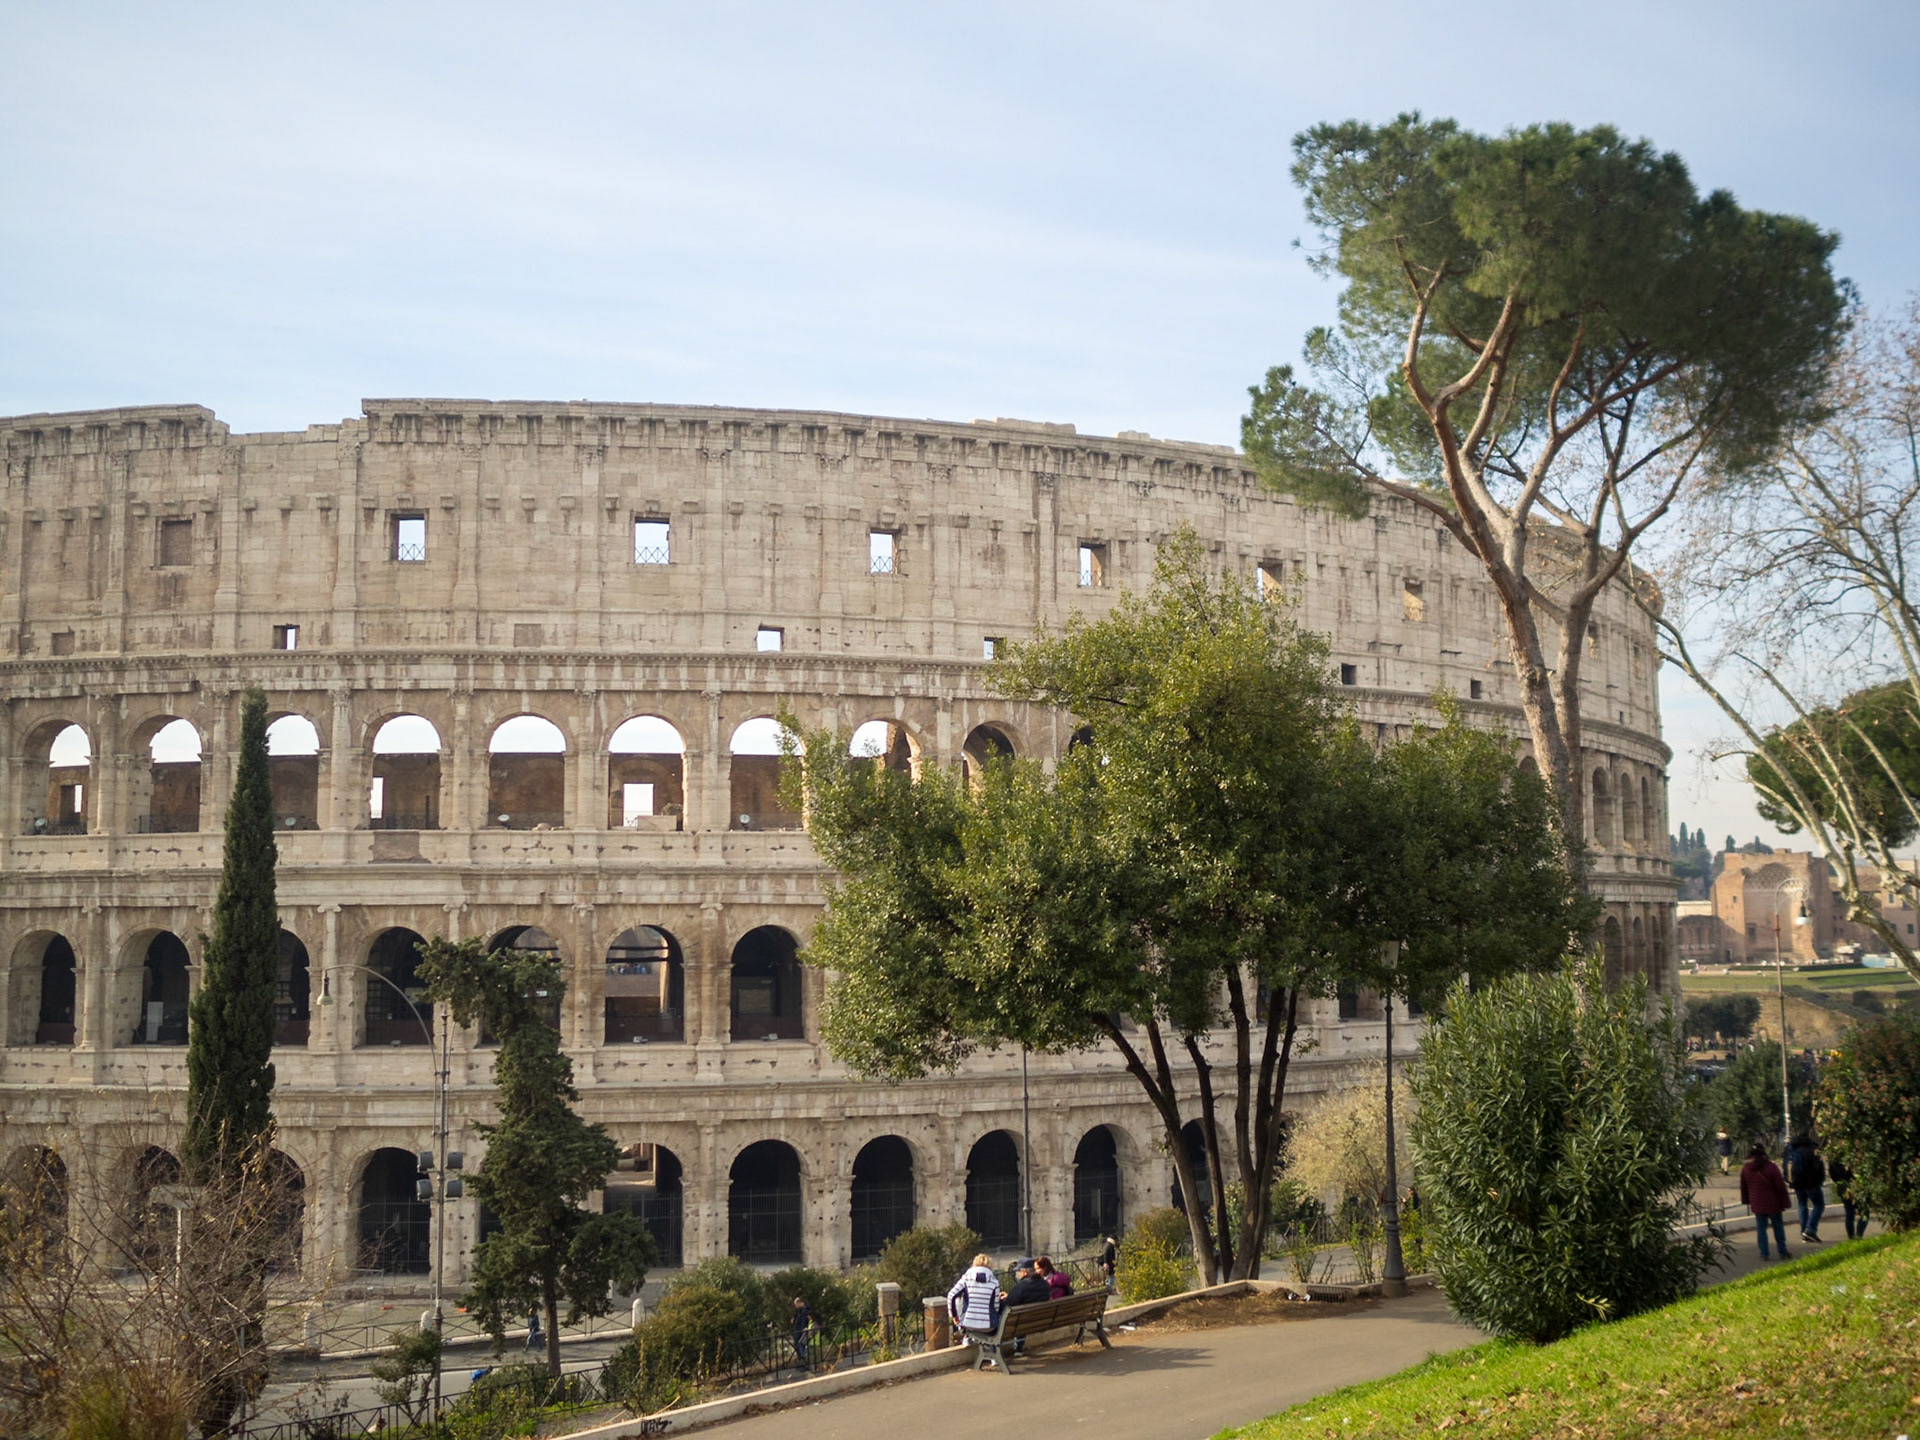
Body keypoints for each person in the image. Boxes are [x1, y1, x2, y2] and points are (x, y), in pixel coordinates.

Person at [1739, 1143, 1793, 1261]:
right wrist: (1785, 1202)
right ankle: (1782, 1251)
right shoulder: (1770, 1167)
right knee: (1778, 1227)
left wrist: (1746, 1201)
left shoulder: (1746, 1169)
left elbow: (1744, 1187)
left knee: (1761, 1229)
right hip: (1773, 1203)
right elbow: (1780, 1186)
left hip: (1757, 1204)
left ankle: (1764, 1253)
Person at [946, 1253, 1003, 1342]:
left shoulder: (966, 1279)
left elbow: (951, 1295)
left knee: (961, 1302)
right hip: (989, 1326)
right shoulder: (994, 1282)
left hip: (968, 1324)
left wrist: (954, 1315)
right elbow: (996, 1307)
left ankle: (967, 1339)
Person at [1785, 1133, 1827, 1242]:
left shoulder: (1790, 1148)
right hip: (1811, 1183)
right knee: (1819, 1205)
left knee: (1802, 1205)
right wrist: (1821, 1180)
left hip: (1797, 1183)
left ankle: (1804, 1232)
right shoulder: (1812, 1149)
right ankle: (1810, 1230)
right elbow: (1819, 1167)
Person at [1830, 1155, 1869, 1240]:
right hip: (1855, 1186)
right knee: (1864, 1212)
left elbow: (1832, 1175)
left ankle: (1851, 1237)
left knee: (1849, 1213)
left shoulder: (1834, 1158)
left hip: (1842, 1187)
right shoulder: (1851, 1155)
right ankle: (1859, 1235)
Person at [790, 1294, 813, 1371]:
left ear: (800, 1303)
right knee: (798, 1347)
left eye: (796, 1304)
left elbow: (804, 1322)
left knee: (801, 1347)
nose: (795, 1306)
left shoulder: (804, 1311)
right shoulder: (799, 1312)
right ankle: (802, 1363)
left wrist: (803, 1329)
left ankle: (804, 1363)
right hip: (797, 1332)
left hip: (801, 1332)